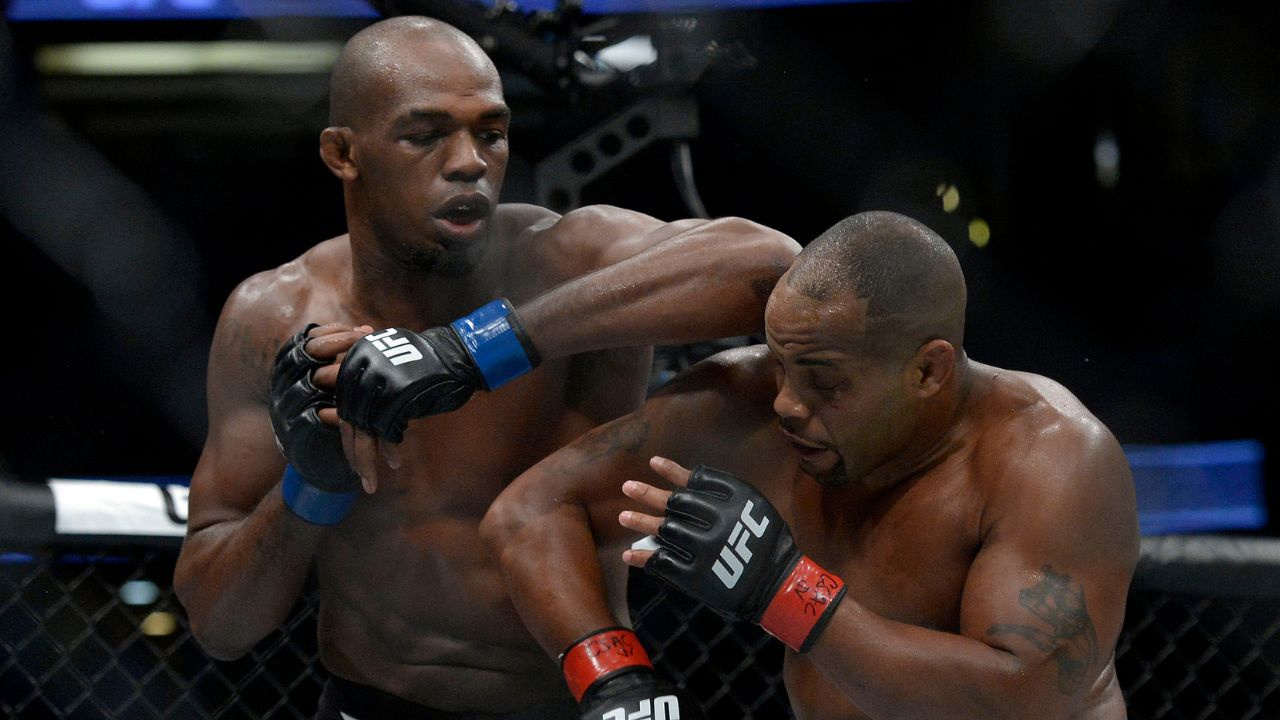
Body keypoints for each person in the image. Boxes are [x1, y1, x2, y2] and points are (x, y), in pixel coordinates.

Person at [172, 14, 800, 720]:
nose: (469, 161)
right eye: (427, 134)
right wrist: (310, 489)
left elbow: (773, 267)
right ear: (343, 153)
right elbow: (219, 624)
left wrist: (473, 348)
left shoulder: (563, 260)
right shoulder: (278, 317)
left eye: (490, 132)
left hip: (571, 701)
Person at [483, 210, 1139, 719]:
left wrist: (783, 590)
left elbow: (1025, 701)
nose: (788, 403)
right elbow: (530, 509)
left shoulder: (1048, 459)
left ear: (929, 370)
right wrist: (612, 676)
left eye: (825, 382)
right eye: (779, 364)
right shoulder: (752, 408)